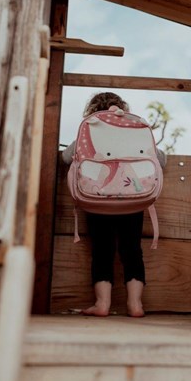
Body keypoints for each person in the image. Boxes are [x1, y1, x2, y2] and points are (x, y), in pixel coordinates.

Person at [62, 92, 167, 317]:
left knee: (102, 251)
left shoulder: (88, 132)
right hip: (132, 200)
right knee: (132, 250)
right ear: (123, 110)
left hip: (97, 200)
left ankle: (102, 304)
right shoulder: (132, 133)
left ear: (91, 112)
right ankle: (135, 305)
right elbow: (161, 159)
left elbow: (66, 157)